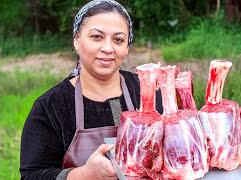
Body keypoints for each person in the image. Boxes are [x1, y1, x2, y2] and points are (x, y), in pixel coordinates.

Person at [19, 0, 163, 179]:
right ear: (77, 40)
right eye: (97, 37)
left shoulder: (148, 91)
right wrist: (83, 174)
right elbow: (31, 175)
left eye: (118, 40)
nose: (108, 48)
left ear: (127, 48)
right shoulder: (50, 107)